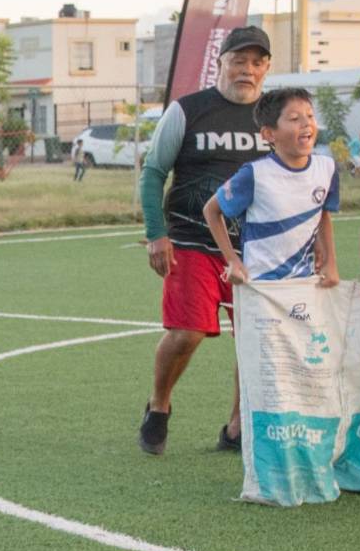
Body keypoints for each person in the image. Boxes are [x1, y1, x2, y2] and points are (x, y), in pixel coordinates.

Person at [136, 24, 273, 456]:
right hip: (192, 241)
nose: (247, 70)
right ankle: (159, 405)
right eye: (238, 60)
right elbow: (153, 172)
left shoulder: (274, 117)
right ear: (220, 63)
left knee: (253, 338)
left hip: (253, 250)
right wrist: (157, 234)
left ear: (266, 68)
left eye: (256, 62)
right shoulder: (188, 110)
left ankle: (236, 428)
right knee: (188, 333)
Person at [203, 87, 340, 291]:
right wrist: (232, 260)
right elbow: (211, 210)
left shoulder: (327, 168)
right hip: (261, 287)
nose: (306, 123)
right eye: (294, 118)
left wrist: (330, 262)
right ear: (269, 134)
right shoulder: (255, 174)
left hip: (305, 284)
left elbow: (323, 216)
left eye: (310, 116)